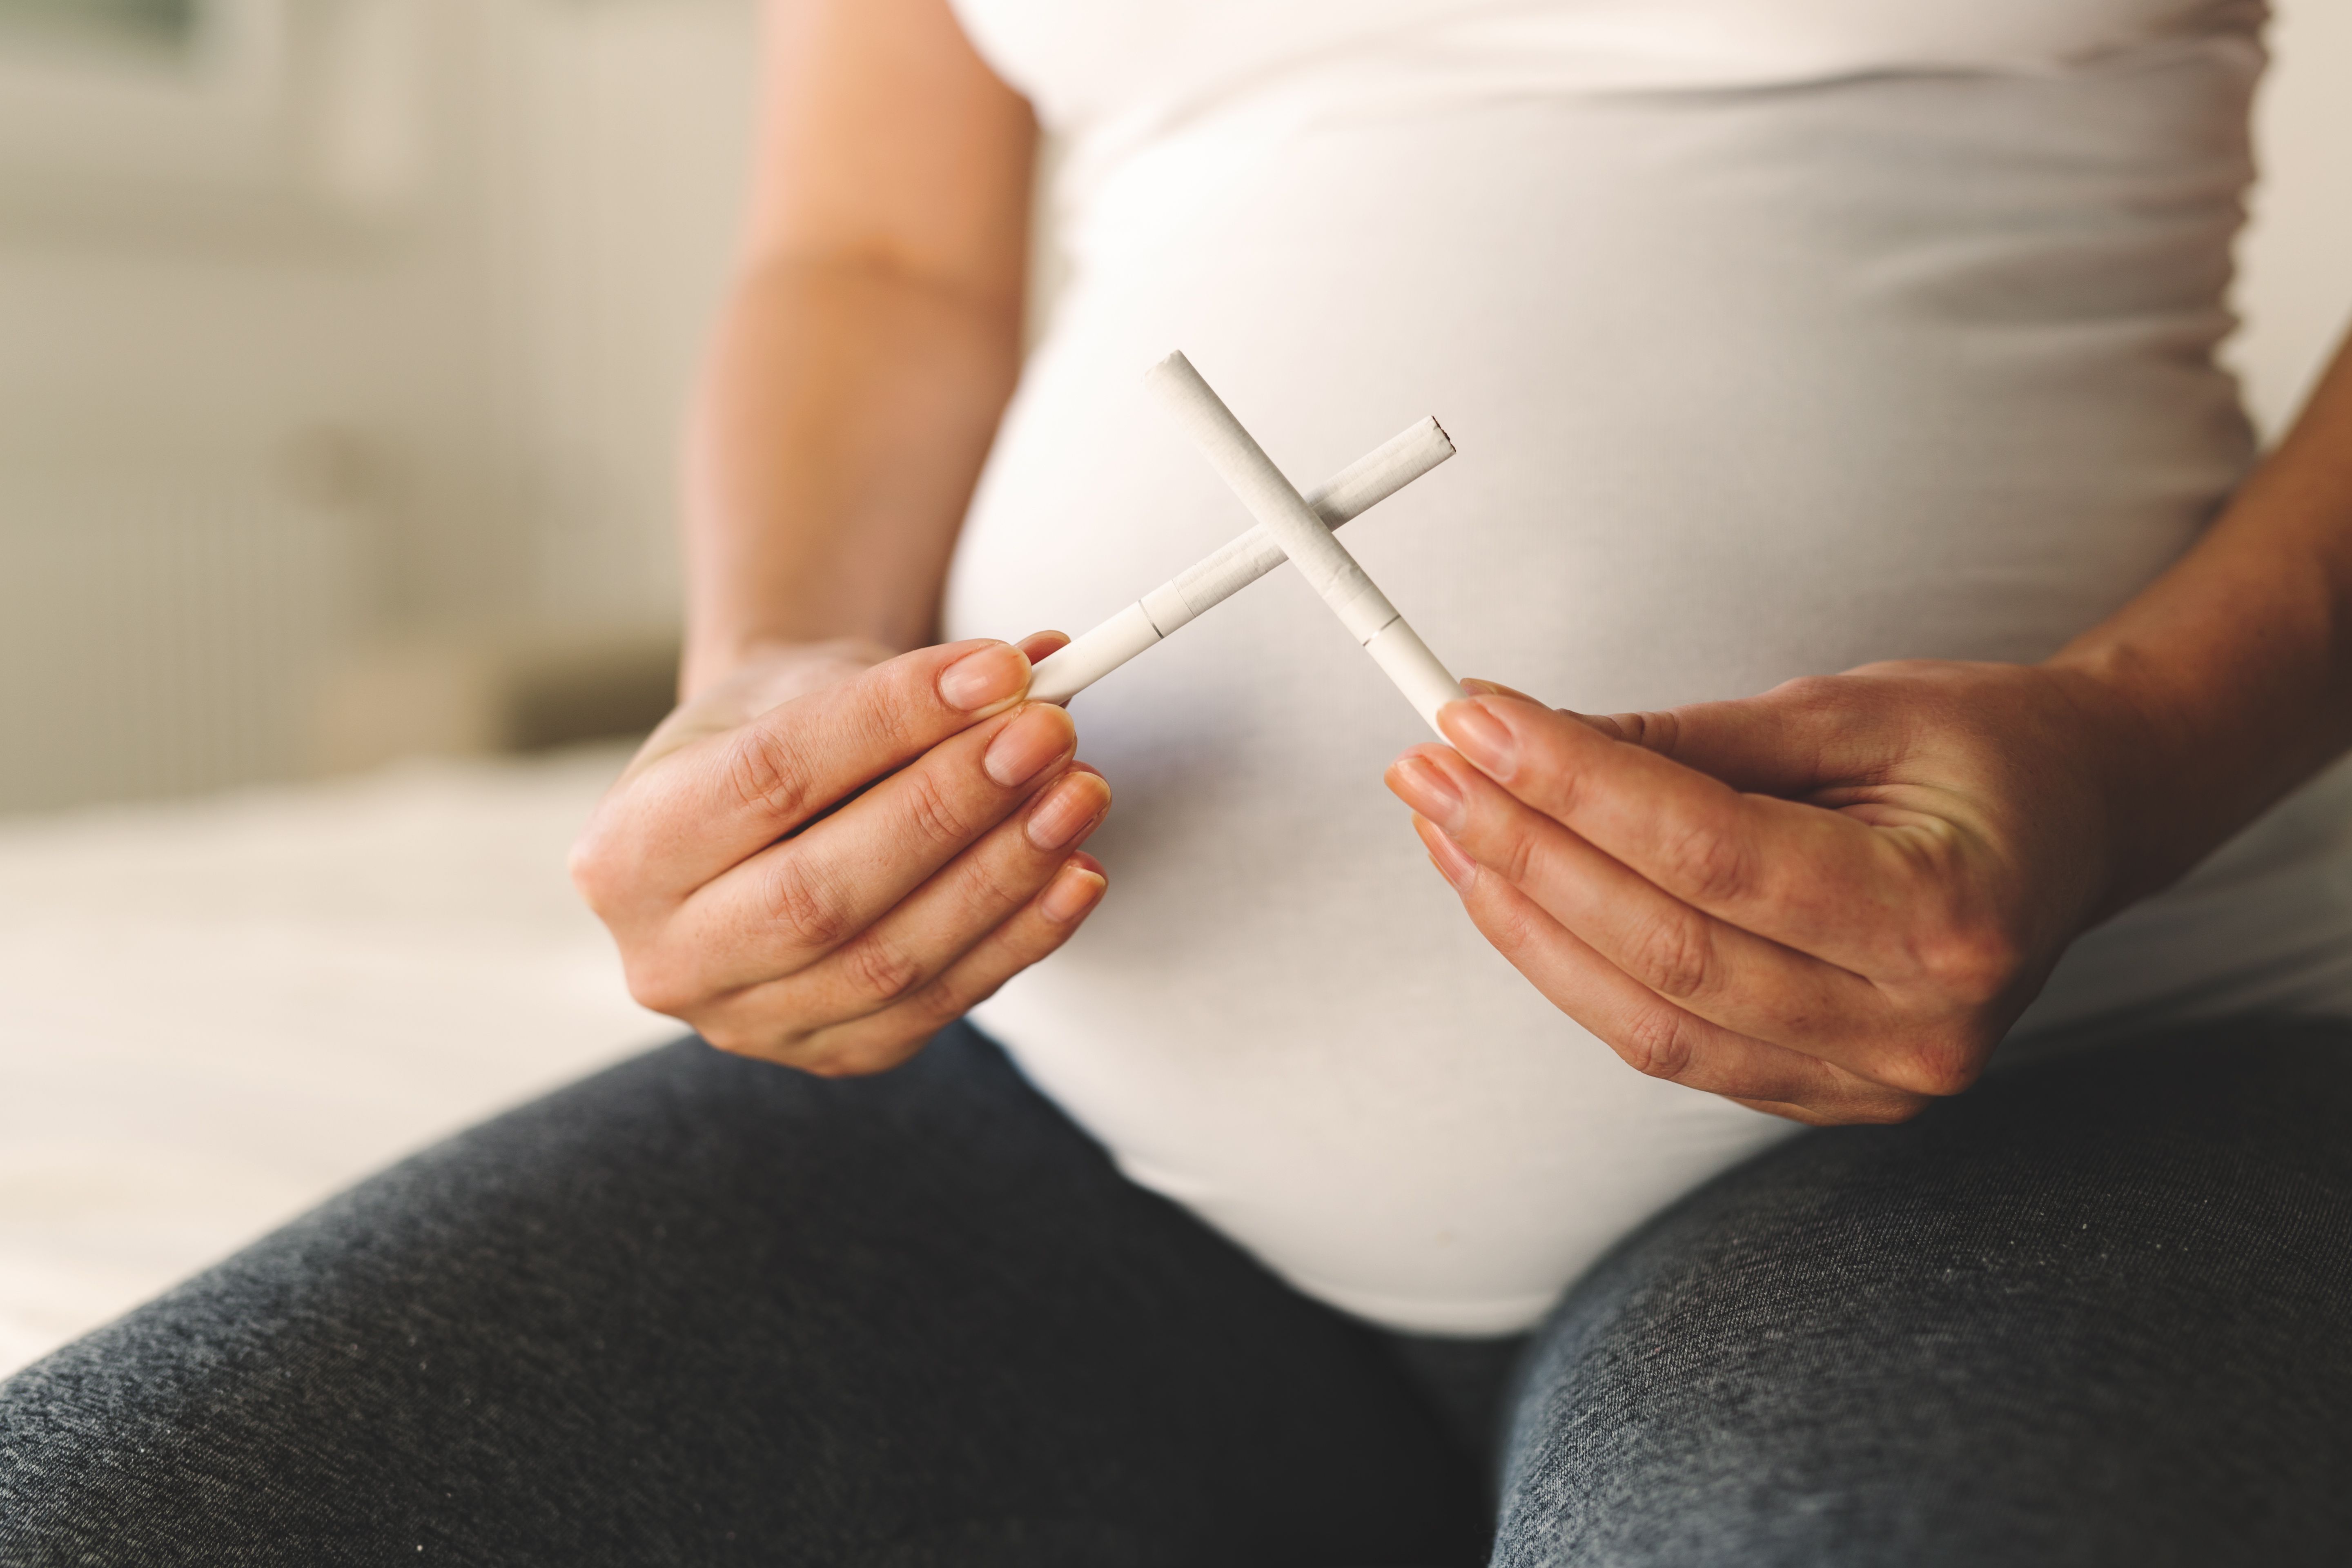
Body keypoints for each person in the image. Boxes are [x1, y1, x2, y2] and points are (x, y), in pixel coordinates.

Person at [7, 0, 2352, 1561]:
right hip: (1045, 1111)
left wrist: (2140, 750)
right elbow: (874, 249)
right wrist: (768, 679)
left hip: (2073, 1076)